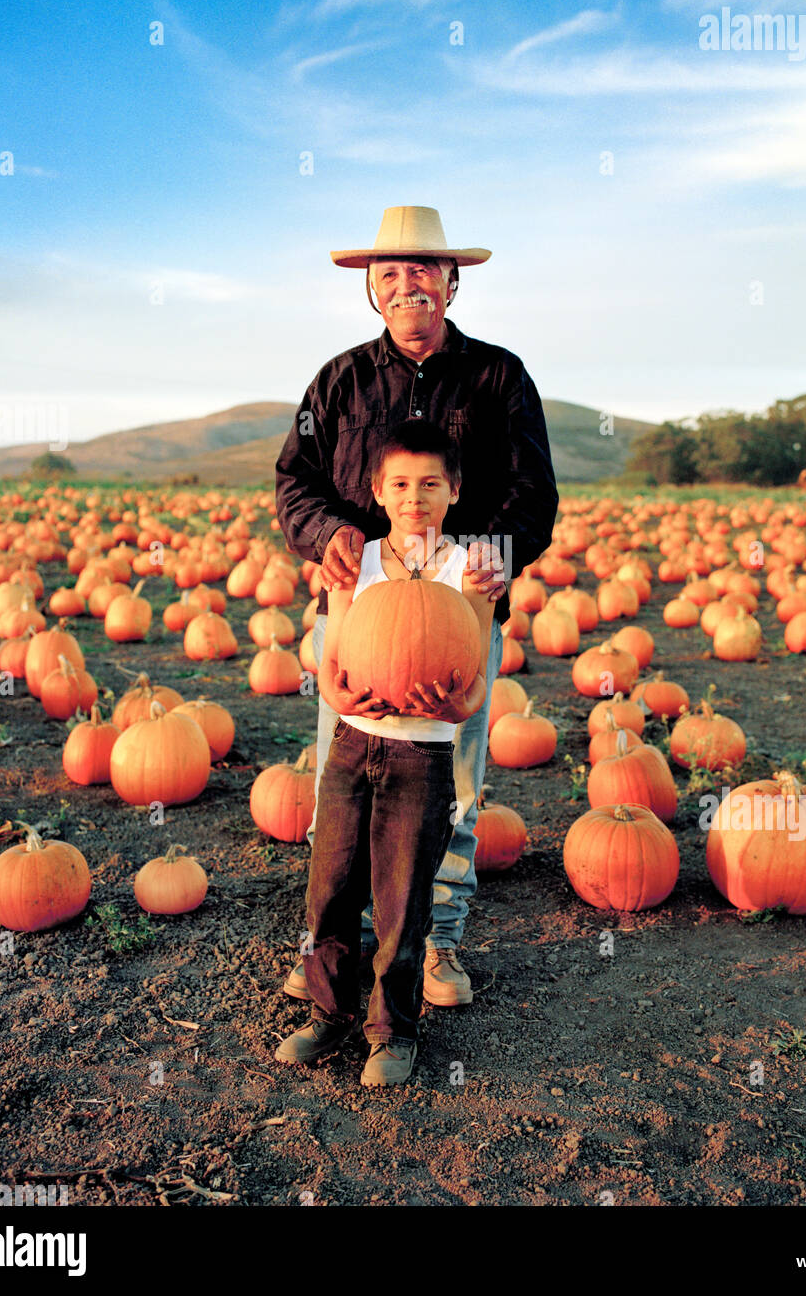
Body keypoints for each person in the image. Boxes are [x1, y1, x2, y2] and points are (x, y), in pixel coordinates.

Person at [275, 205, 558, 1007]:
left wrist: (495, 554)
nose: (408, 287)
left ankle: (438, 942)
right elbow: (292, 478)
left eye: (423, 272)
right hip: (357, 615)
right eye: (390, 275)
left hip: (457, 622)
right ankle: (337, 949)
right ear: (372, 289)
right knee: (347, 787)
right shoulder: (337, 381)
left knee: (454, 789)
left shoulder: (501, 378)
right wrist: (324, 529)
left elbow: (533, 491)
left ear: (452, 282)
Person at [275, 422, 494, 1084]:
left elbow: (475, 675)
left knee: (403, 900)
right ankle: (328, 1014)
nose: (414, 497)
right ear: (377, 490)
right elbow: (334, 657)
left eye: (430, 484)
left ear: (454, 490)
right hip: (351, 745)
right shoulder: (354, 561)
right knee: (331, 887)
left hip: (421, 760)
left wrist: (459, 707)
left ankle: (393, 1031)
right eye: (400, 484)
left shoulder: (472, 571)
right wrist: (340, 692)